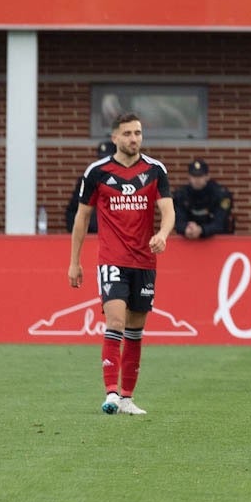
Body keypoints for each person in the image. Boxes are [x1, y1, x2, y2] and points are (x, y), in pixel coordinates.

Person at [67, 113, 175, 415]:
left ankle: (127, 397)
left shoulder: (155, 170)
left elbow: (168, 210)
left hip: (144, 261)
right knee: (115, 321)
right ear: (114, 137)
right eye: (127, 133)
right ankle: (111, 392)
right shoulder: (97, 172)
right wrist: (74, 262)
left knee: (136, 330)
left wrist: (163, 234)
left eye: (138, 133)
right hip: (112, 259)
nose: (134, 139)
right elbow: (82, 217)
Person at [171, 159, 235, 239]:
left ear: (207, 176)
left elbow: (220, 223)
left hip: (217, 242)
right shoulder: (180, 195)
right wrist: (186, 228)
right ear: (189, 177)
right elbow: (178, 222)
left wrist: (201, 230)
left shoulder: (220, 195)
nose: (197, 180)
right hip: (188, 241)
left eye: (200, 176)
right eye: (194, 176)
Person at [65, 140, 115, 234]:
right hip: (89, 235)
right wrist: (77, 232)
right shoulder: (88, 179)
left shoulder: (124, 181)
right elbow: (72, 210)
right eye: (101, 159)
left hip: (114, 236)